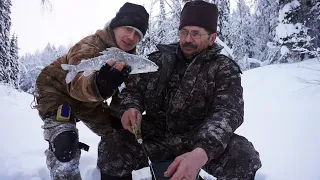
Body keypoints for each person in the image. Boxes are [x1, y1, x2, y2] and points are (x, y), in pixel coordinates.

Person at [98, 1, 262, 180]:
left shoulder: (223, 68)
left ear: (212, 38)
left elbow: (227, 113)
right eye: (184, 32)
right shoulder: (157, 61)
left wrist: (200, 153)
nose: (187, 39)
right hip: (153, 137)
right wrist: (131, 107)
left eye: (195, 33)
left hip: (199, 140)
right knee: (112, 146)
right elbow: (134, 89)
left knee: (243, 157)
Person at [34, 2, 149, 180]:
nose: (131, 37)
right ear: (116, 25)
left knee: (118, 136)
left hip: (90, 103)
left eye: (138, 35)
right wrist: (99, 84)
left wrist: (124, 114)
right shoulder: (90, 45)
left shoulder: (131, 61)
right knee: (65, 145)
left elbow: (127, 94)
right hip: (57, 92)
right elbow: (78, 82)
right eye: (128, 28)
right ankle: (61, 160)